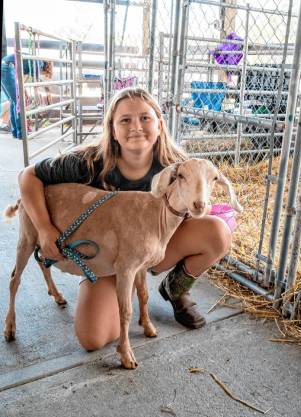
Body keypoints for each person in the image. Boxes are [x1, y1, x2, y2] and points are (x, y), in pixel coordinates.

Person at [18, 88, 233, 351]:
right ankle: (120, 289)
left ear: (159, 124)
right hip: (111, 256)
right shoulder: (88, 162)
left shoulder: (177, 165)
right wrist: (43, 227)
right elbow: (28, 176)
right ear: (112, 128)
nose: (136, 127)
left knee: (217, 233)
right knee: (93, 338)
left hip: (158, 245)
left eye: (145, 118)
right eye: (125, 120)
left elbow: (198, 199)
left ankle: (176, 288)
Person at [1, 53, 53, 139]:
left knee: (13, 101)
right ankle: (22, 133)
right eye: (44, 74)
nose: (42, 75)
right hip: (7, 68)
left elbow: (23, 80)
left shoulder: (35, 62)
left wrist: (24, 92)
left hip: (5, 66)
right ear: (46, 68)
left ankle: (16, 132)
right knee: (19, 102)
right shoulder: (38, 64)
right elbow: (32, 84)